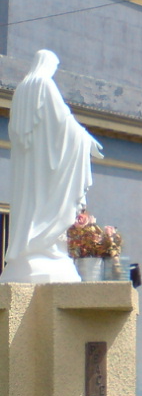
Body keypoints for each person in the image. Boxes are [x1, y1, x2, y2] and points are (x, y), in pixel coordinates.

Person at [1, 49, 103, 283]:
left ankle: (29, 249)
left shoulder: (21, 90)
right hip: (46, 165)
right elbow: (63, 119)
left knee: (30, 203)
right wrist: (85, 139)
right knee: (47, 205)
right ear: (49, 65)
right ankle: (43, 247)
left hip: (29, 165)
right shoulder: (44, 84)